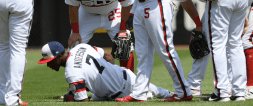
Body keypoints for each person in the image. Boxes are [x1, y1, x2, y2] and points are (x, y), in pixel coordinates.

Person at [37, 41, 173, 101]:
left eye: (49, 61)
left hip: (124, 88)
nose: (48, 65)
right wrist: (110, 72)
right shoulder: (81, 47)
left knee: (160, 93)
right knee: (95, 96)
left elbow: (82, 101)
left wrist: (70, 98)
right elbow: (107, 55)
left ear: (59, 57)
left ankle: (151, 94)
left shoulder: (71, 72)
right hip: (121, 76)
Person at [65, 0, 135, 72]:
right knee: (73, 48)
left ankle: (129, 83)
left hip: (111, 13)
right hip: (87, 13)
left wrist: (122, 28)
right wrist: (75, 31)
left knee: (124, 45)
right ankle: (75, 86)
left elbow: (127, 4)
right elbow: (73, 6)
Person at [170, 0, 210, 97]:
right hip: (215, 5)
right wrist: (198, 25)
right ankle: (194, 86)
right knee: (204, 39)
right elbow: (185, 2)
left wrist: (244, 19)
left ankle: (231, 85)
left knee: (226, 43)